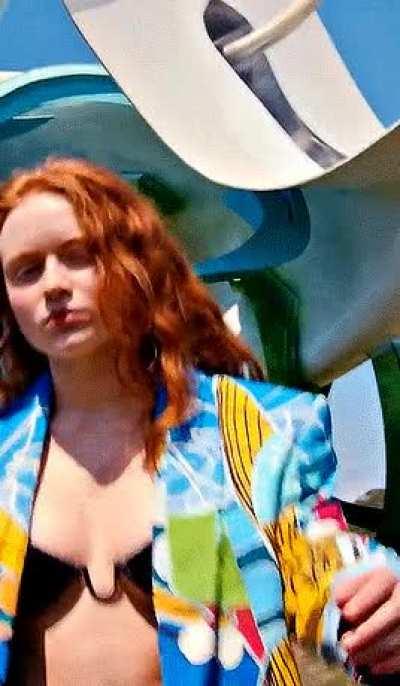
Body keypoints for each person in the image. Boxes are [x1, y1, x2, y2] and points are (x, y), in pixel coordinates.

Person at [0, 157, 399, 686]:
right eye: (27, 270)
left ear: (134, 265)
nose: (53, 284)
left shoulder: (250, 431)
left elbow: (325, 567)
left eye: (79, 256)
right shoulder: (5, 456)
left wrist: (381, 601)